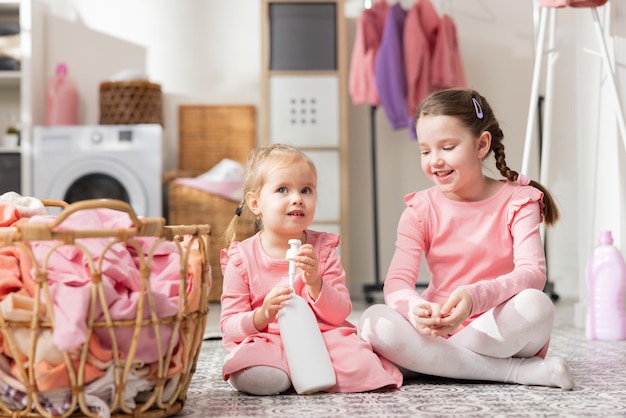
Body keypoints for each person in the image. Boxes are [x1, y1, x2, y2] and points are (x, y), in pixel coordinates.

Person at [358, 88, 575, 390]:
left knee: (537, 306)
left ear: (481, 144)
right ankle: (516, 373)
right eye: (425, 150)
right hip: (438, 329)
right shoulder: (420, 208)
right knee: (372, 321)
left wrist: (475, 298)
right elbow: (397, 284)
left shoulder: (520, 200)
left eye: (447, 147)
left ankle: (429, 364)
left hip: (499, 329)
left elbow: (532, 275)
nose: (435, 160)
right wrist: (414, 310)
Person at [219, 144, 403, 395]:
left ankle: (302, 373)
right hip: (268, 339)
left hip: (322, 336)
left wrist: (316, 283)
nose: (297, 198)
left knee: (360, 364)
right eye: (282, 189)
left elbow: (340, 312)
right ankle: (282, 372)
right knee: (260, 373)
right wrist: (261, 316)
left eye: (306, 190)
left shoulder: (323, 250)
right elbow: (229, 324)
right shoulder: (241, 259)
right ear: (255, 203)